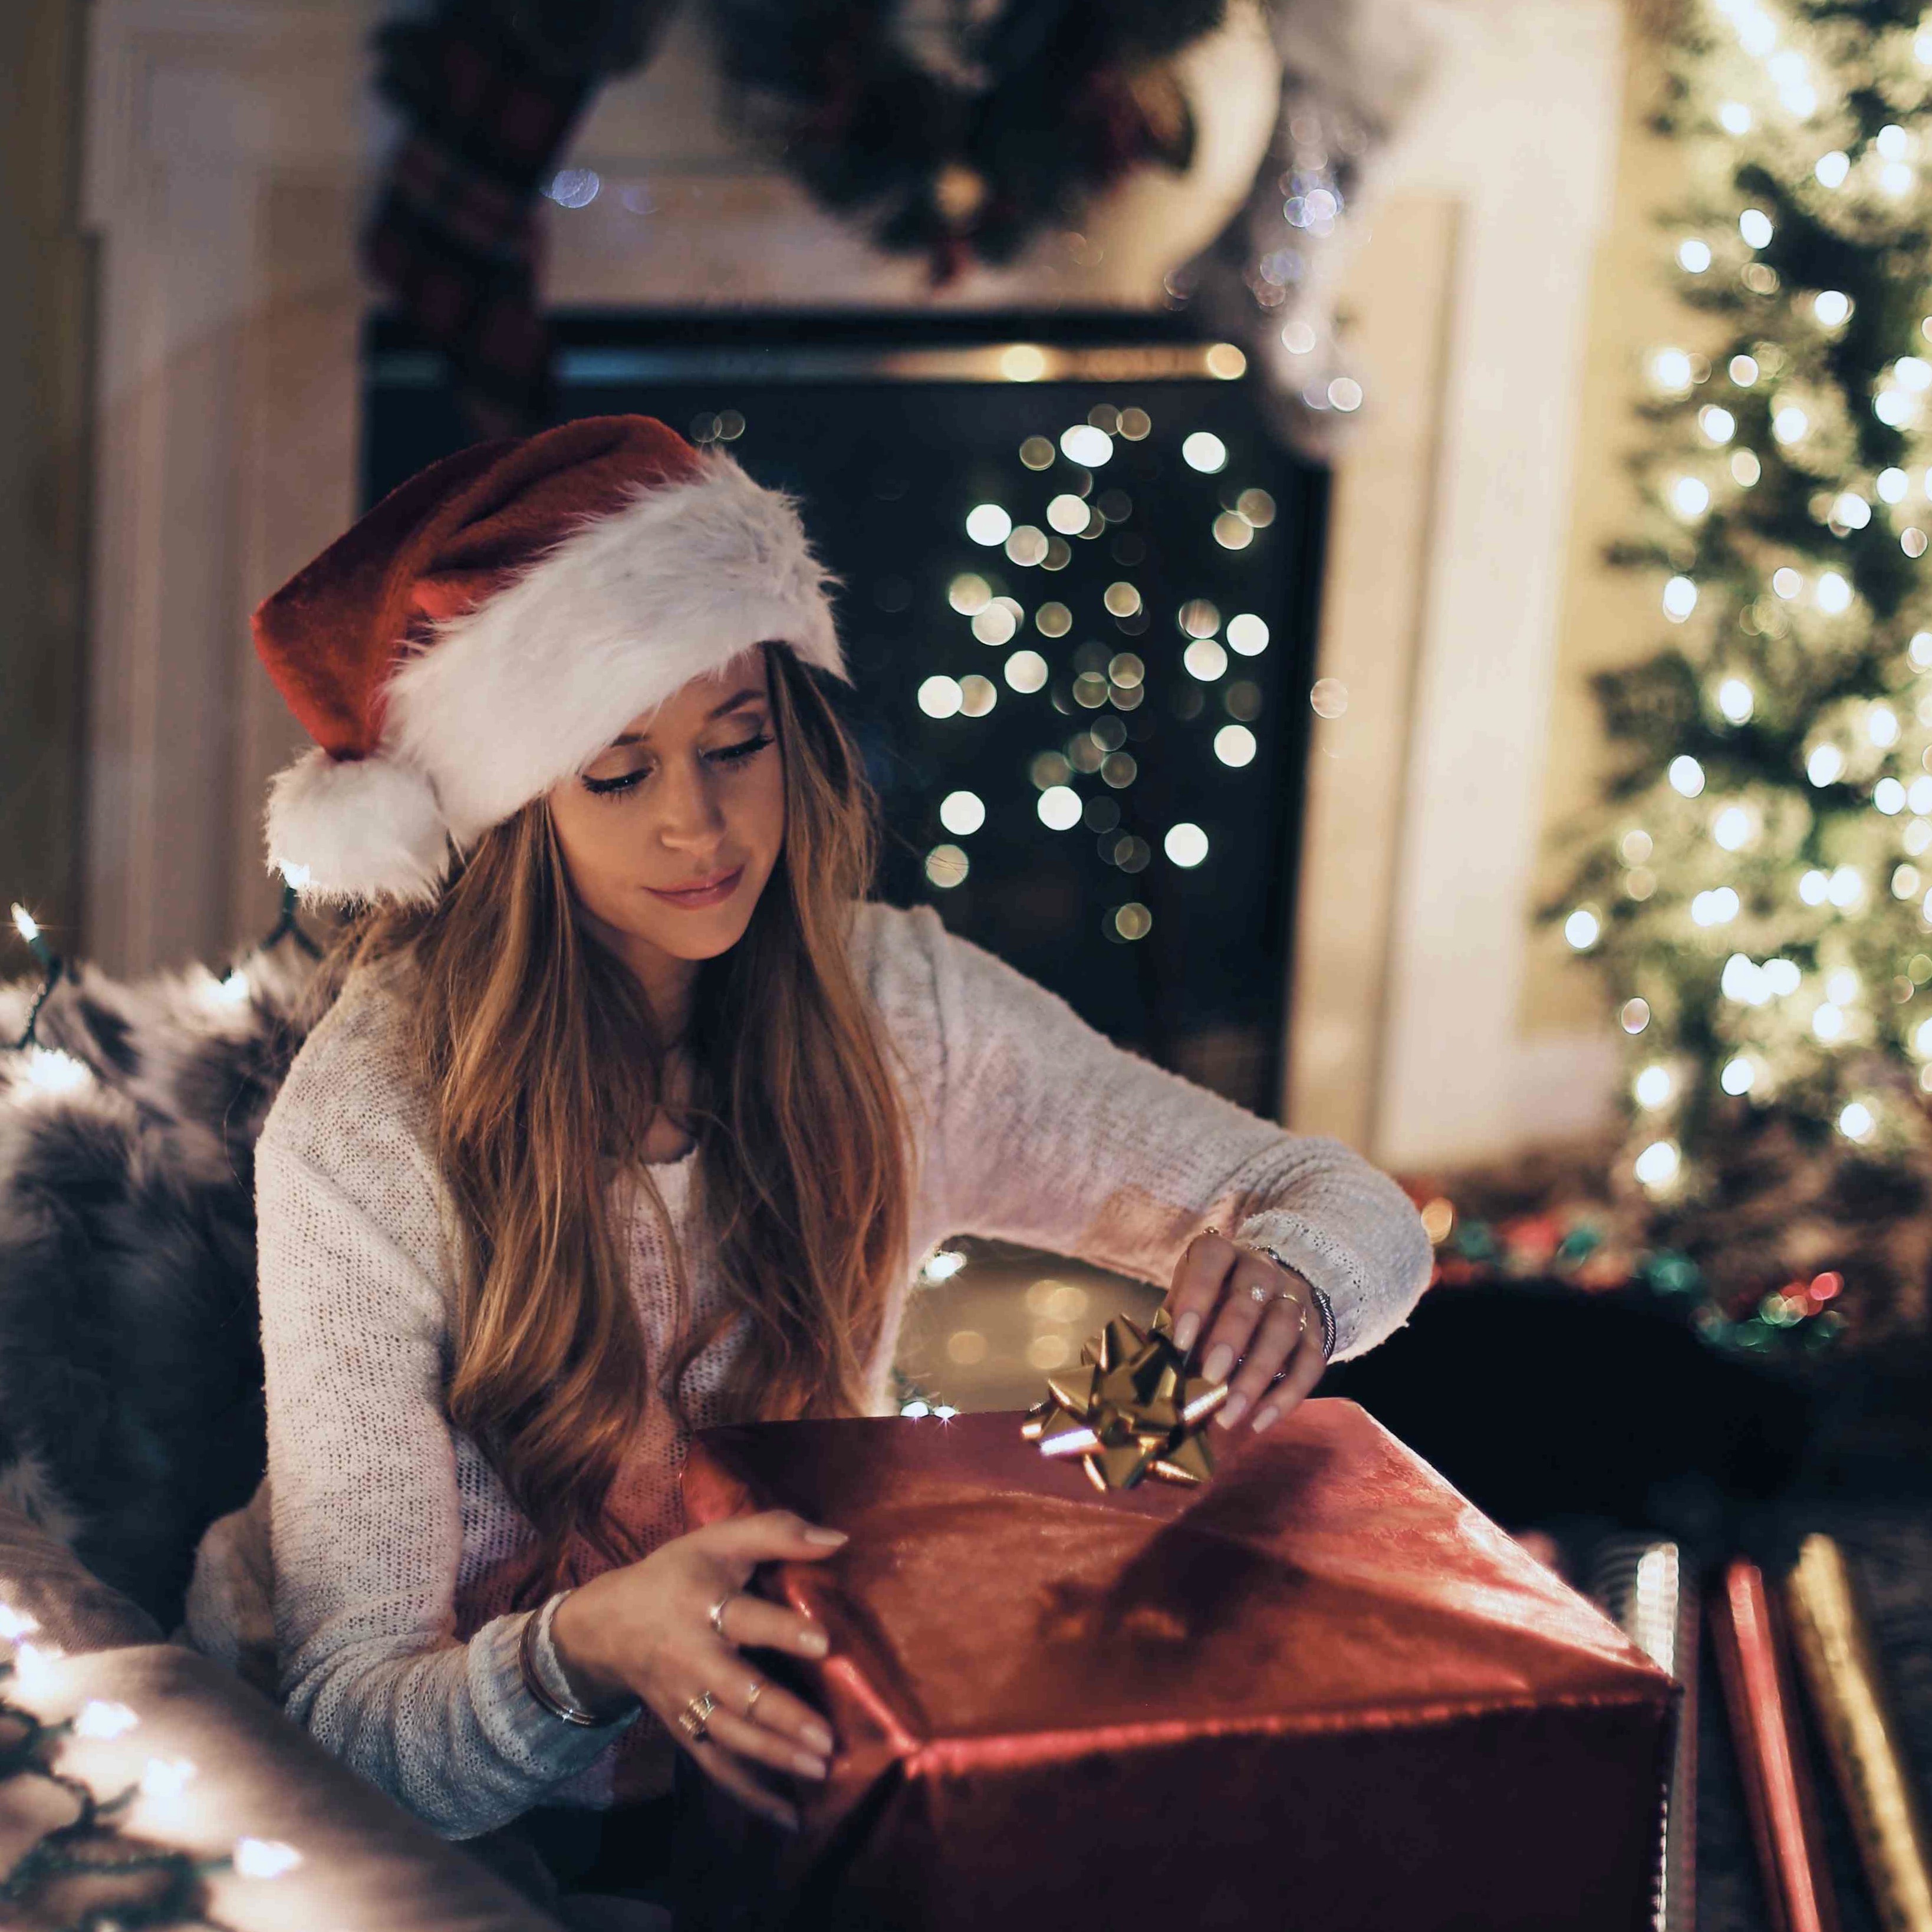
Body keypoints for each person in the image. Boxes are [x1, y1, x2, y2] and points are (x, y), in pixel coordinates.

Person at [183, 414, 1433, 1915]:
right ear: (510, 809)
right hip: (408, 1828)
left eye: (736, 743)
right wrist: (583, 1650)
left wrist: (1292, 1276)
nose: (699, 826)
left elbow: (1348, 1206)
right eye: (617, 773)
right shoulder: (369, 1129)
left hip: (782, 1757)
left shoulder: (894, 1005)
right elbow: (353, 1731)